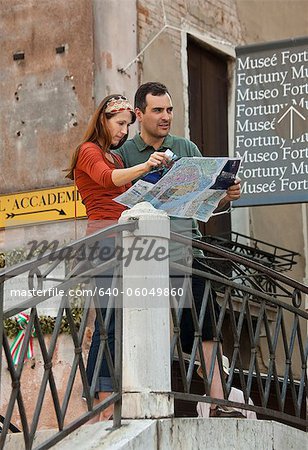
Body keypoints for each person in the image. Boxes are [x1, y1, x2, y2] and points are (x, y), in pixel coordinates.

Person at [114, 82, 241, 417]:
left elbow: (205, 200)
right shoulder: (124, 156)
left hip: (189, 249)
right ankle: (133, 405)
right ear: (139, 114)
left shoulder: (186, 147)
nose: (166, 116)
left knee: (205, 326)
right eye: (158, 110)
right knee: (138, 326)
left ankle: (218, 402)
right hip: (143, 257)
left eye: (169, 110)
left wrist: (225, 195)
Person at [66, 94, 170, 420]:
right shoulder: (89, 151)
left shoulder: (115, 157)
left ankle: (115, 399)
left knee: (122, 321)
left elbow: (125, 190)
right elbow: (107, 181)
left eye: (128, 125)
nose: (124, 131)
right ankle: (103, 404)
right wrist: (146, 165)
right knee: (107, 324)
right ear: (103, 119)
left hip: (127, 244)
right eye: (120, 123)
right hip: (103, 245)